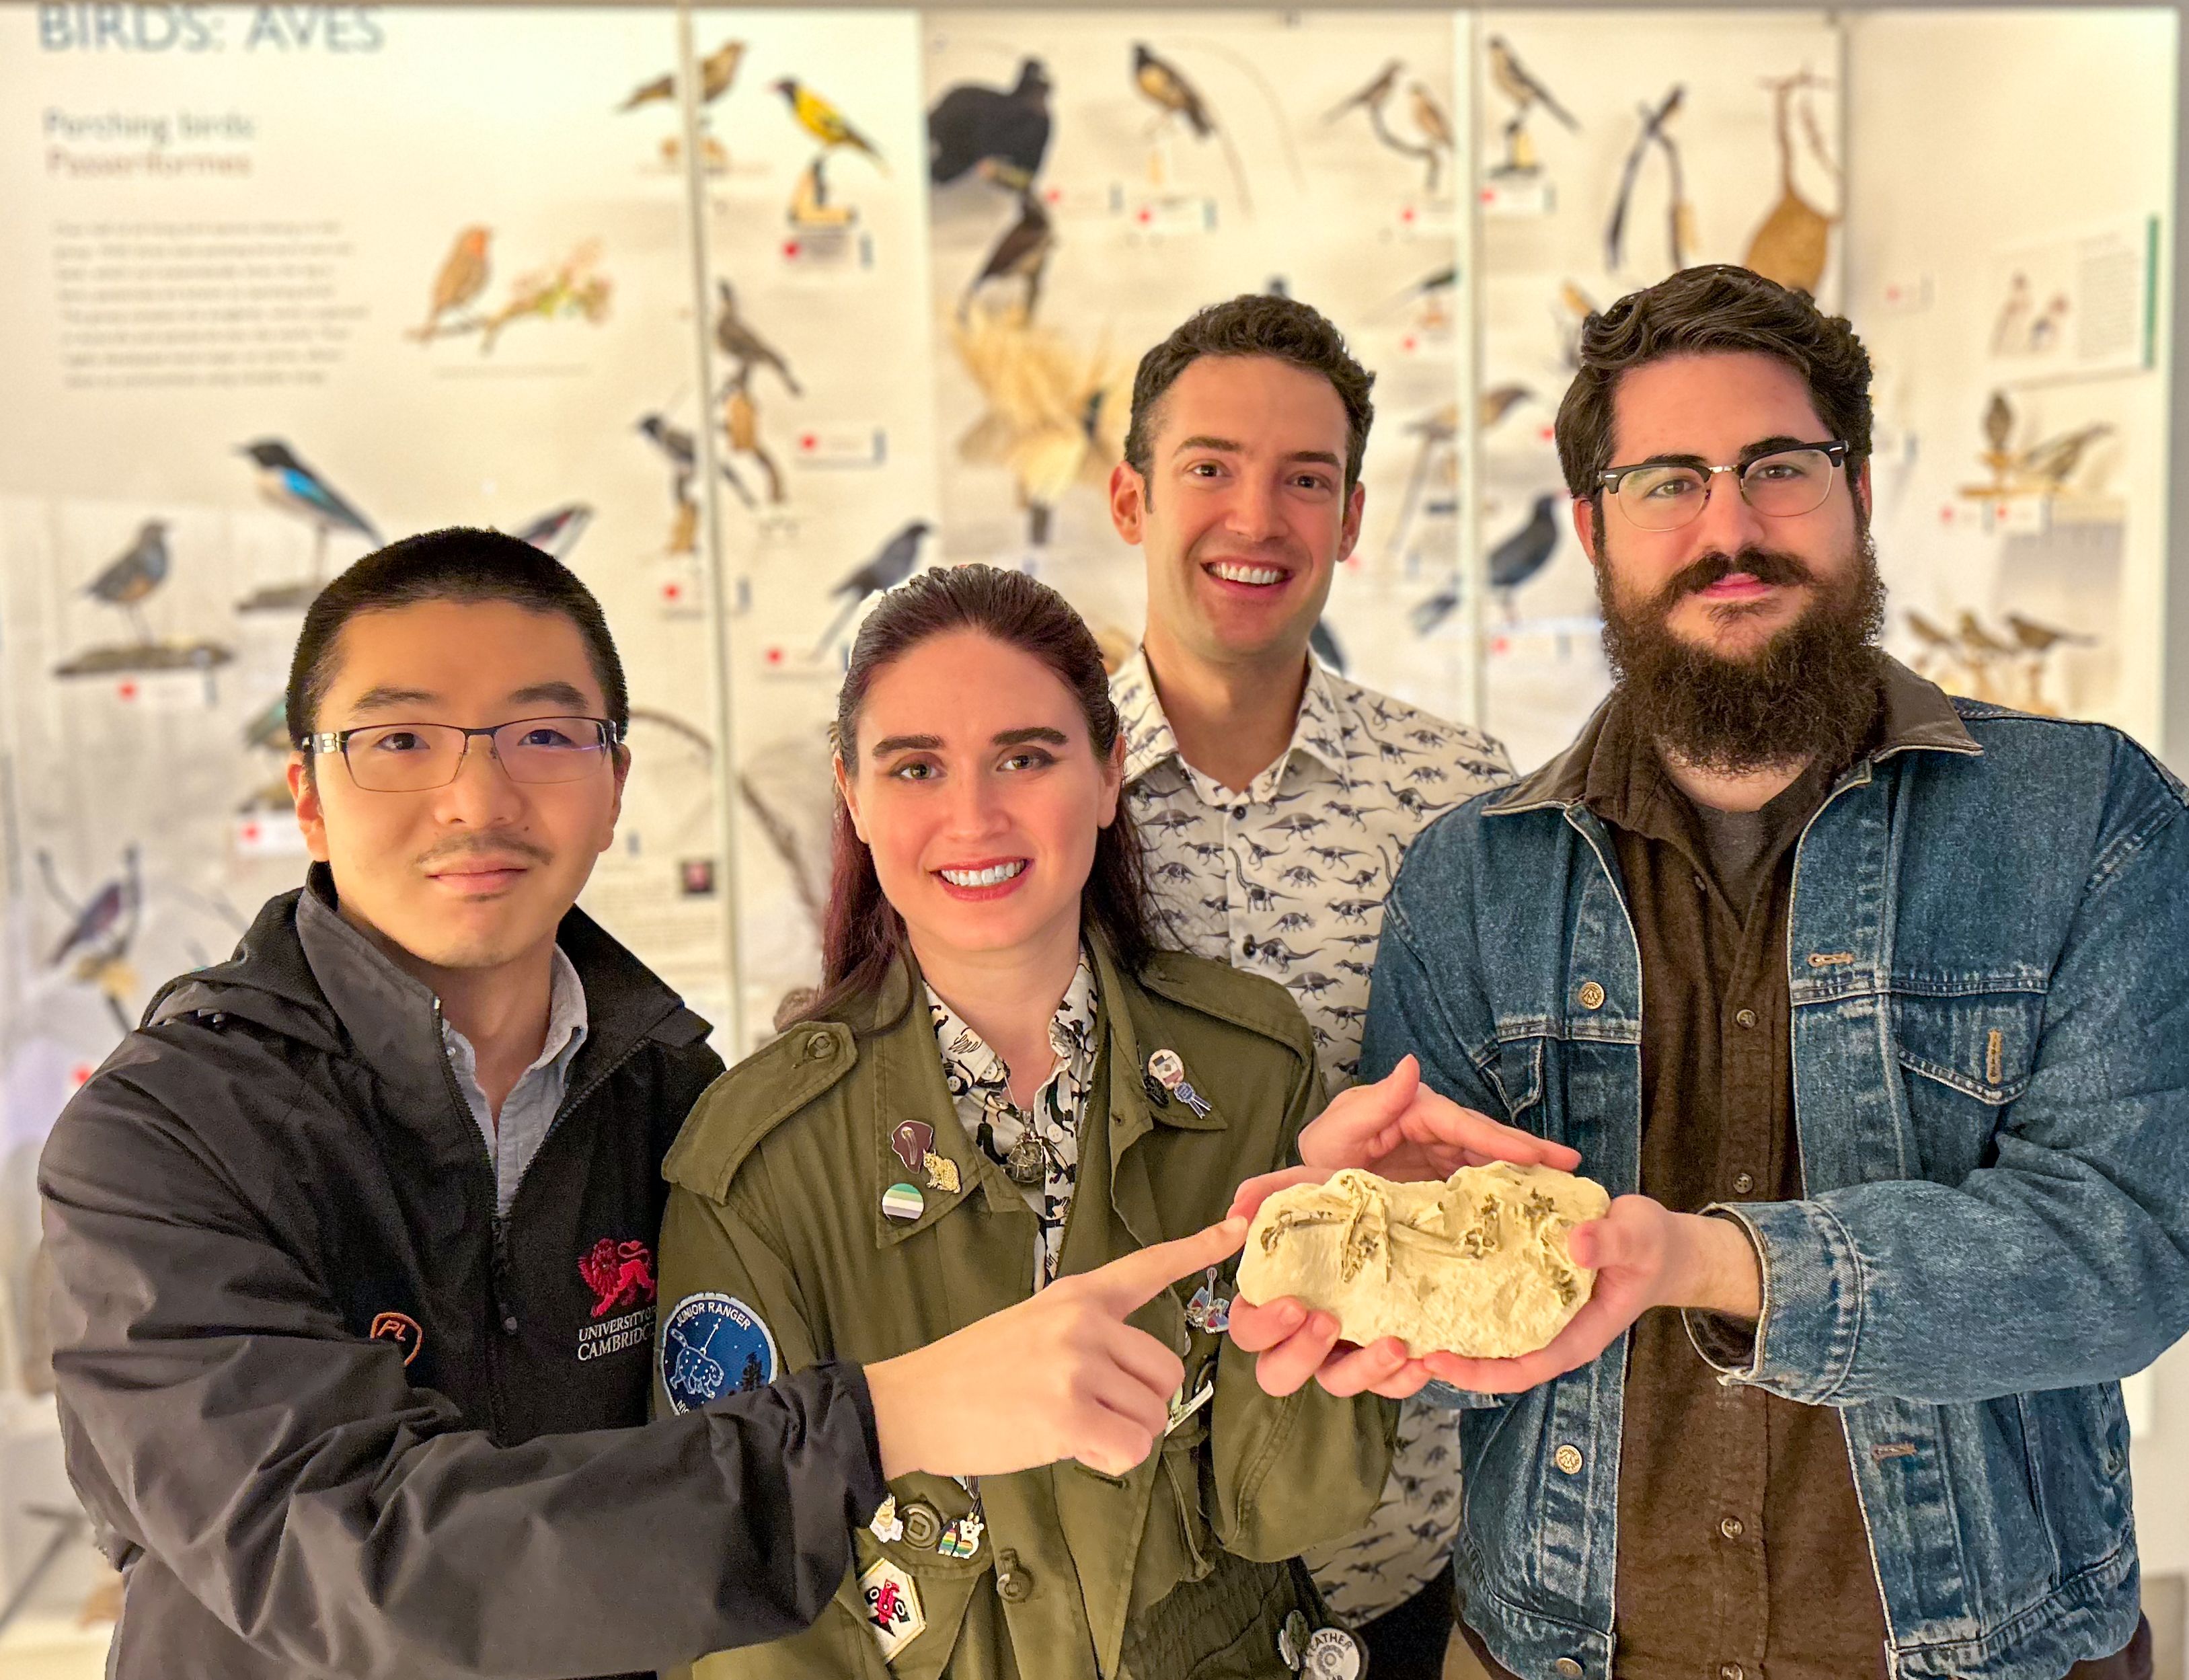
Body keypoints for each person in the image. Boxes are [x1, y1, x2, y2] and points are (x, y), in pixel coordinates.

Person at [39, 531, 1279, 1680]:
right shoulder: (165, 1140)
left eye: (540, 734)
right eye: (401, 741)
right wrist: (893, 1417)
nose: (476, 799)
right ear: (307, 790)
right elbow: (356, 1553)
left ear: (615, 778)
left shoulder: (672, 1100)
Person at [1239, 266, 2181, 1680]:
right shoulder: (1469, 880)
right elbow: (1436, 1270)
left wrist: (1708, 1258)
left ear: (1854, 490)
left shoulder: (2084, 818)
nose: (1728, 527)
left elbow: (2123, 1254)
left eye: (1776, 468)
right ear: (1590, 526)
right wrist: (1382, 1243)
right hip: (1552, 1651)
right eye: (1665, 480)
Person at [656, 564, 1557, 1680]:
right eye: (916, 766)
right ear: (852, 793)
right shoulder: (755, 1163)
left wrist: (1326, 1256)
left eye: (1025, 757)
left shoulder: (1248, 1065)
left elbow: (1285, 1514)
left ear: (1108, 771)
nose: (974, 814)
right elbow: (748, 1600)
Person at [1106, 291, 1517, 1672]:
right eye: (1209, 467)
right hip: (1120, 1548)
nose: (1254, 517)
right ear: (1129, 496)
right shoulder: (1032, 795)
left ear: (1348, 520)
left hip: (1408, 1531)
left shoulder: (1458, 795)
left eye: (1304, 480)